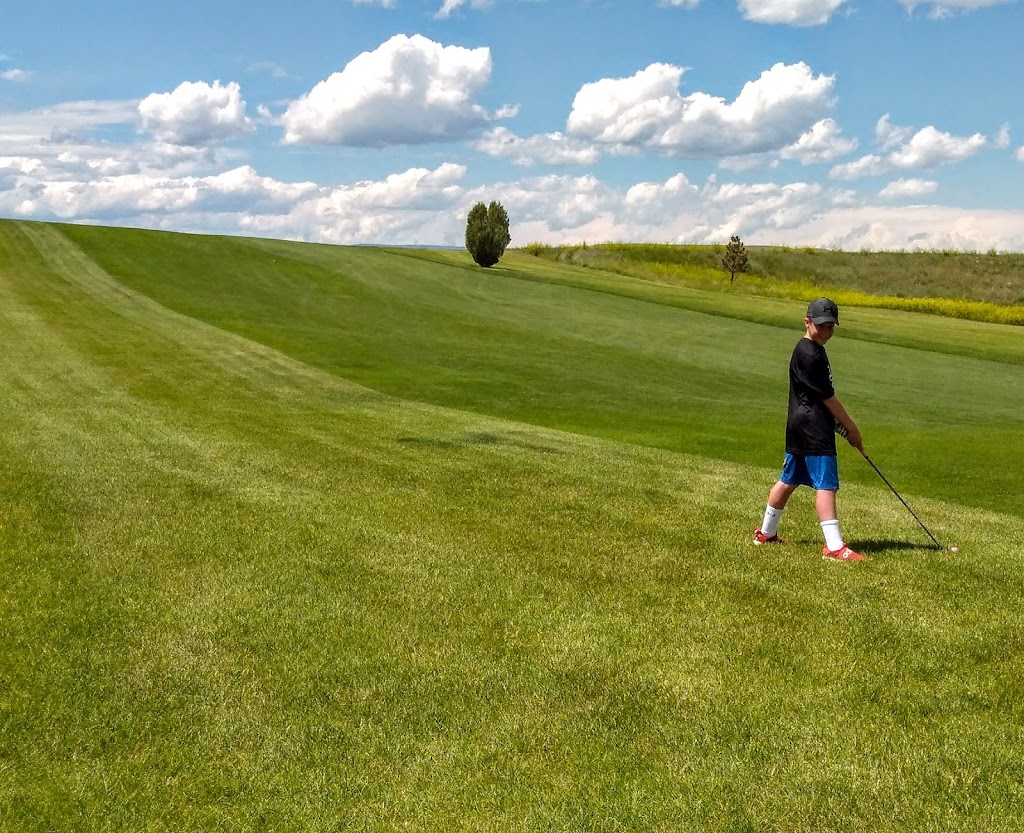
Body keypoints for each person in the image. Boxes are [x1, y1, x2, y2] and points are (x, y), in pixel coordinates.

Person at [754, 297, 867, 561]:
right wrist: (851, 428)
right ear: (807, 322)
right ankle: (834, 546)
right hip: (813, 428)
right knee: (826, 485)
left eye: (830, 326)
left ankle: (766, 533)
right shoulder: (809, 354)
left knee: (789, 479)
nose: (826, 331)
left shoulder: (811, 348)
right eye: (821, 326)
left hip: (798, 424)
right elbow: (828, 398)